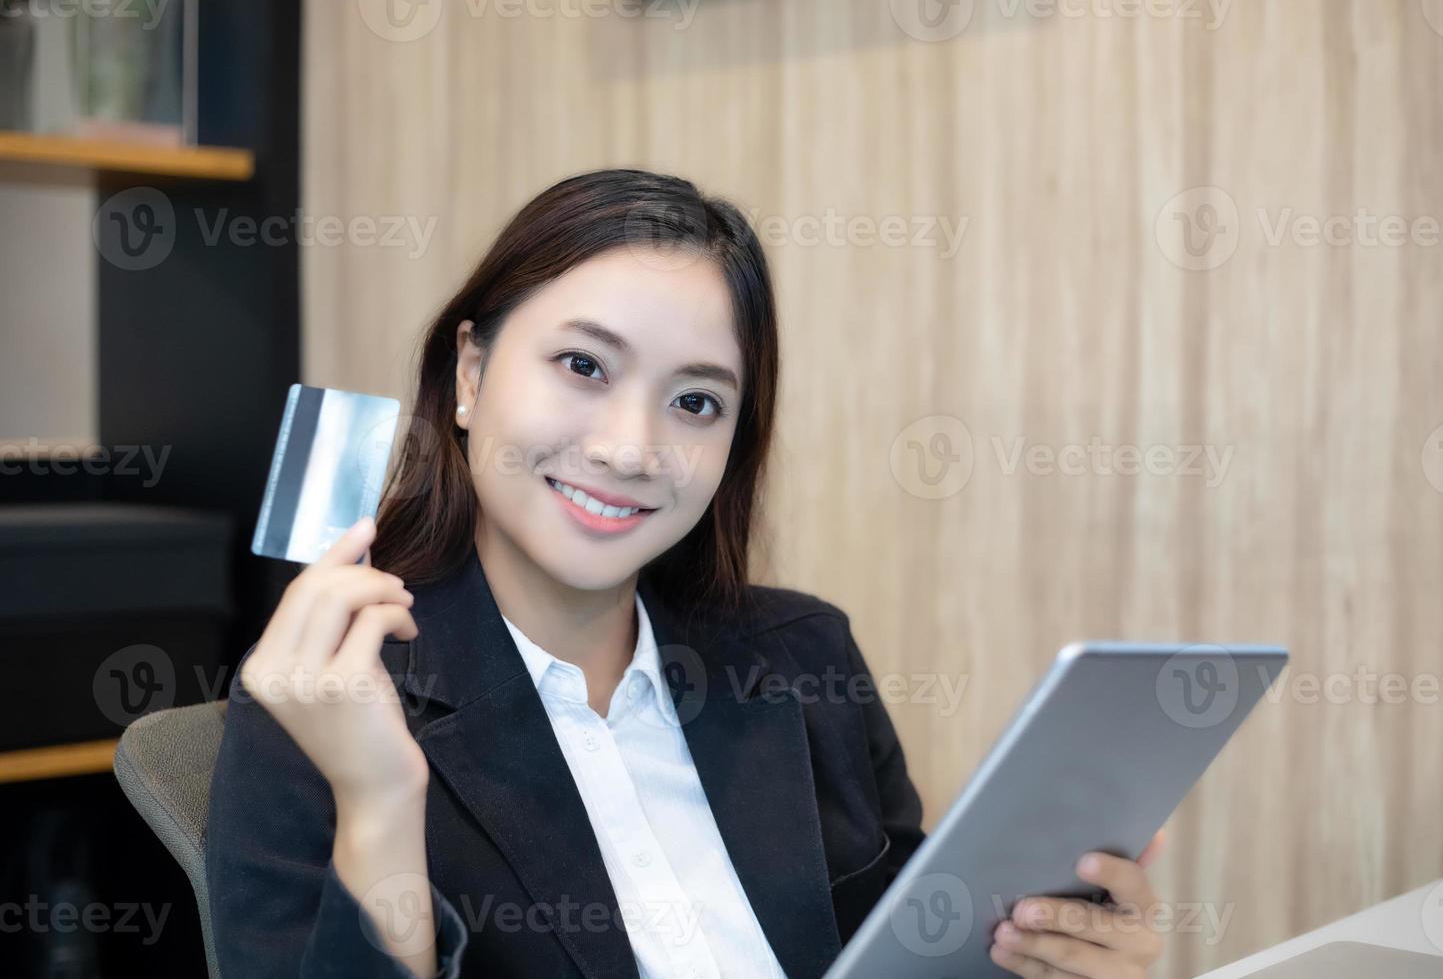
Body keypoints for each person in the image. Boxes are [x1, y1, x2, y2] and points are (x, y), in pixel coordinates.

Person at [205, 169, 1167, 978]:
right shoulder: (322, 696)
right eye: (584, 365)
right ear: (469, 372)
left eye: (696, 400)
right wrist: (377, 801)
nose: (631, 448)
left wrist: (1049, 961)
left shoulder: (803, 658)